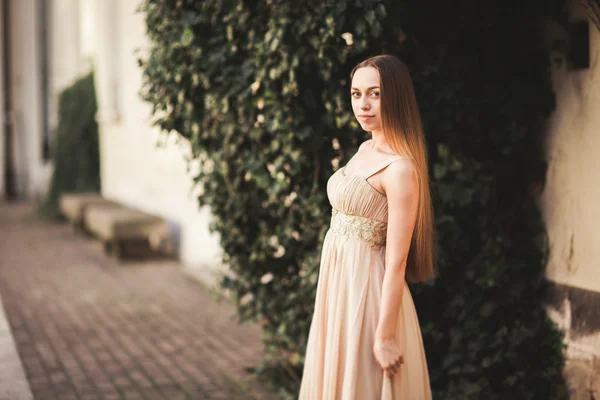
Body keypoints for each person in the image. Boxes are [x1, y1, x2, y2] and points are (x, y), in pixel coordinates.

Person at [298, 54, 435, 399]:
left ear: (395, 96)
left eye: (375, 93)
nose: (364, 104)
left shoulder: (400, 169)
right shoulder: (362, 150)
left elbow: (397, 261)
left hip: (368, 294)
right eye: (356, 94)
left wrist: (385, 335)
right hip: (338, 288)